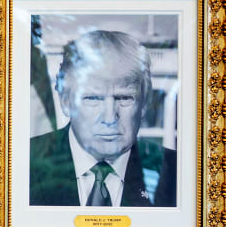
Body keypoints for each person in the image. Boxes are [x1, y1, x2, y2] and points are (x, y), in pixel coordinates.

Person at [29, 30, 175, 207]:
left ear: (144, 103)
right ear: (65, 101)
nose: (109, 117)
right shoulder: (22, 162)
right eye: (93, 98)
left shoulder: (179, 172)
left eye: (124, 98)